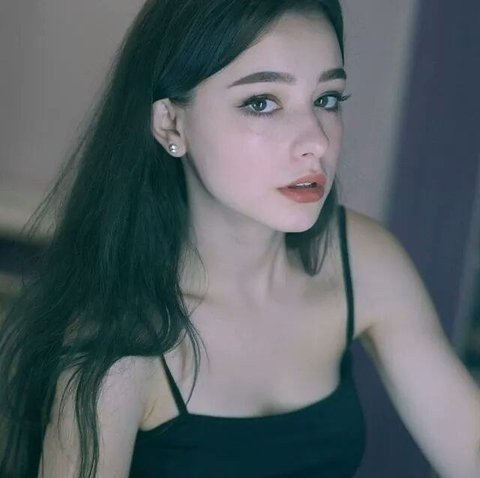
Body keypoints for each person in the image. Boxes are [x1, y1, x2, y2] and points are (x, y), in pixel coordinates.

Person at [0, 0, 479, 477]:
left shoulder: (359, 259)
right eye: (262, 102)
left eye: (327, 99)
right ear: (171, 123)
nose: (316, 140)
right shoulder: (119, 342)